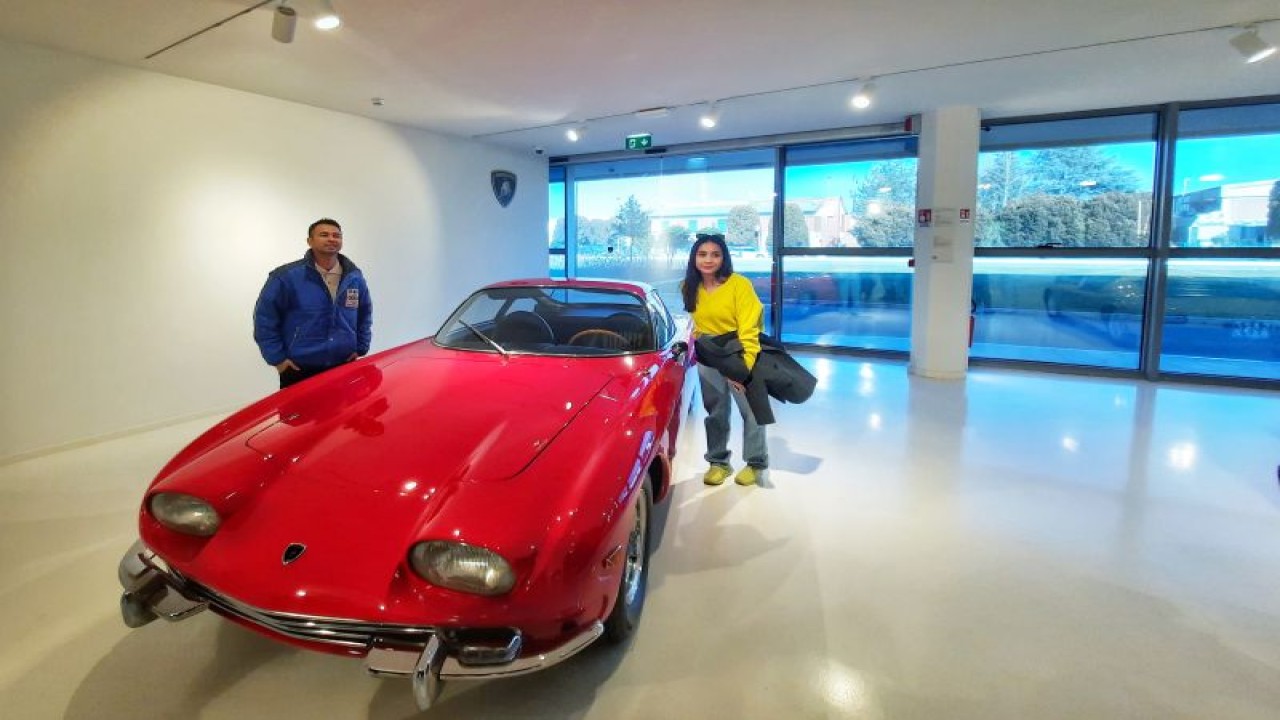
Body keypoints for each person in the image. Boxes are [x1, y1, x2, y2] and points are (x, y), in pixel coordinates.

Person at [681, 233, 768, 487]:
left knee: (751, 411)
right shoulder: (689, 287)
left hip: (740, 352)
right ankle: (718, 462)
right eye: (702, 254)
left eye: (715, 254)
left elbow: (749, 329)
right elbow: (697, 325)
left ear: (724, 257)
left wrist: (743, 370)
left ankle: (755, 463)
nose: (709, 260)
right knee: (715, 411)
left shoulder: (739, 284)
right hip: (708, 355)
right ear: (694, 258)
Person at [254, 218, 373, 389]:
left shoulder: (354, 276)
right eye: (324, 235)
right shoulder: (285, 277)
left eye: (336, 235)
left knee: (341, 414)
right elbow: (265, 319)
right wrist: (278, 358)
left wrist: (361, 347)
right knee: (300, 415)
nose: (331, 239)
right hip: (299, 368)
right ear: (310, 241)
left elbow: (365, 313)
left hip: (344, 363)